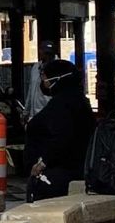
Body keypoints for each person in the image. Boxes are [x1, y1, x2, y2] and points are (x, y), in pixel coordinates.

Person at [23, 58, 95, 202]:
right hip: (67, 169)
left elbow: (61, 137)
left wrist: (43, 163)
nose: (43, 82)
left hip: (59, 174)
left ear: (58, 78)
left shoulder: (63, 104)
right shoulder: (75, 100)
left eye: (45, 78)